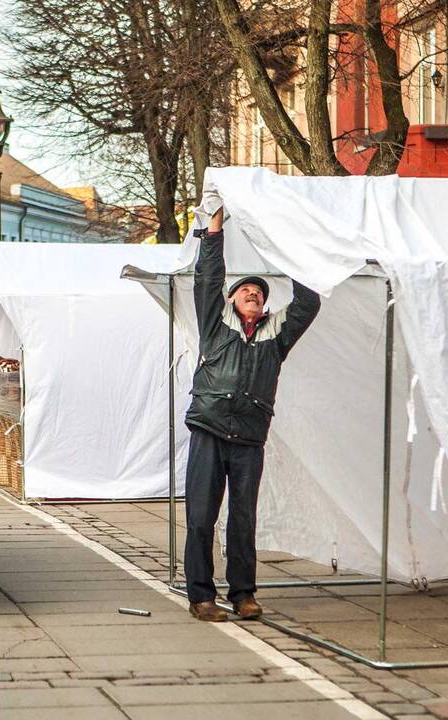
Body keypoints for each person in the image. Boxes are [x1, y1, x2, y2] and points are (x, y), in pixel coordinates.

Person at [184, 206, 321, 622]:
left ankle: (243, 594)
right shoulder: (215, 325)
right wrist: (214, 231)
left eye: (260, 293)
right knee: (201, 517)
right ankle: (201, 597)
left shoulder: (276, 336)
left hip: (248, 436)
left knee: (243, 520)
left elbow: (308, 302)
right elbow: (207, 277)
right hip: (208, 428)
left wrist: (293, 250)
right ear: (230, 299)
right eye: (246, 290)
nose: (254, 294)